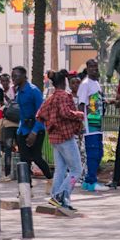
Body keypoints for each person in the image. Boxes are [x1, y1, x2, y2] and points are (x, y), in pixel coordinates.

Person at [36, 69, 85, 215]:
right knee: (76, 170)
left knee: (61, 170)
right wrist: (79, 115)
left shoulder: (51, 97)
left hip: (54, 138)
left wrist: (53, 123)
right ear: (64, 82)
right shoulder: (64, 95)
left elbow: (40, 115)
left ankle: (58, 199)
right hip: (66, 138)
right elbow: (65, 112)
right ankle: (60, 196)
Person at [11, 66, 52, 180]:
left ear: (24, 76)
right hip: (23, 129)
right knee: (24, 160)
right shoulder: (18, 92)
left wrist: (34, 132)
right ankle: (26, 185)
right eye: (12, 76)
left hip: (36, 129)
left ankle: (51, 179)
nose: (13, 79)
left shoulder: (33, 91)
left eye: (16, 76)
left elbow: (42, 113)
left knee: (36, 157)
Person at [75, 59, 105, 192]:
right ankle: (91, 182)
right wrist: (81, 123)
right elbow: (81, 105)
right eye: (91, 67)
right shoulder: (85, 84)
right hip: (89, 125)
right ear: (87, 68)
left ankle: (88, 180)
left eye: (96, 66)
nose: (94, 69)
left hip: (98, 124)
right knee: (93, 153)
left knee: (99, 153)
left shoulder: (96, 83)